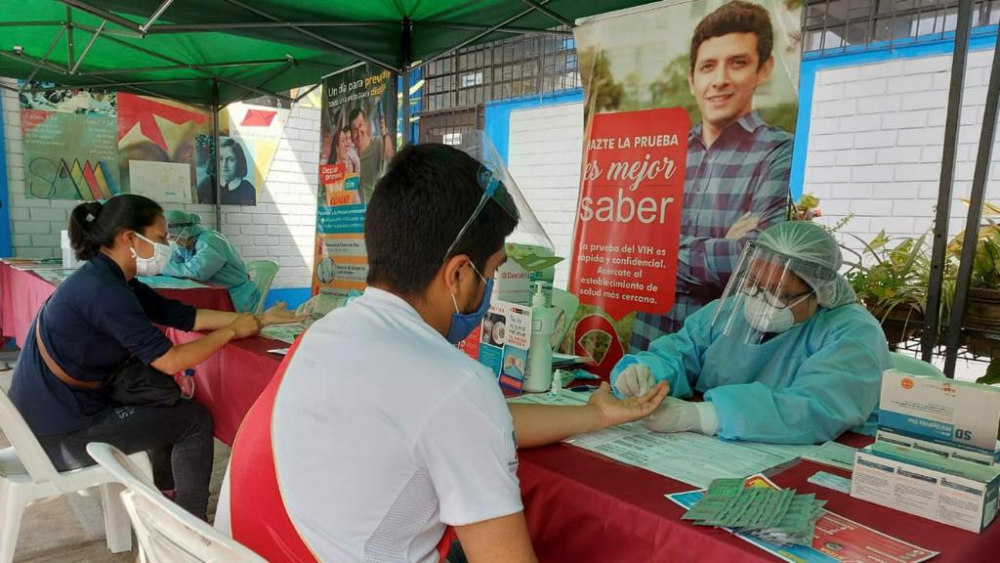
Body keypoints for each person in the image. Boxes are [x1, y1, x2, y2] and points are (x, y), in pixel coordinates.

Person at [217, 143, 668, 562]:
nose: (492, 288)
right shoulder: (452, 385)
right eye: (491, 271)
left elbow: (471, 422)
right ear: (457, 274)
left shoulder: (327, 333)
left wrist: (598, 415)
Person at [7, 195, 304, 520]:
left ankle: (167, 496)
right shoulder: (106, 293)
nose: (168, 246)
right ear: (129, 238)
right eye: (161, 238)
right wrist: (231, 332)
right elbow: (171, 360)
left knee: (163, 405)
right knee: (193, 420)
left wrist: (259, 320)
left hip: (52, 413)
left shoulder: (109, 278)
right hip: (58, 435)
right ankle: (190, 523)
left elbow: (183, 316)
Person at [614, 221, 891, 445]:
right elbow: (678, 352)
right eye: (755, 284)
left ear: (818, 293)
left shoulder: (853, 332)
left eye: (781, 293)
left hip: (822, 456)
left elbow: (818, 408)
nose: (760, 300)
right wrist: (645, 372)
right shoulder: (726, 311)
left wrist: (703, 416)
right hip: (725, 449)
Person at [631, 1, 793, 351]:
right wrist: (723, 244)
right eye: (708, 66)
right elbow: (632, 247)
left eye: (737, 63)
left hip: (722, 348)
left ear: (763, 69)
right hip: (651, 338)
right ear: (692, 79)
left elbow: (758, 259)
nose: (719, 80)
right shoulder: (662, 152)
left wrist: (664, 256)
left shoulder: (777, 151)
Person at [162, 210, 261, 313]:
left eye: (173, 237)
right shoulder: (186, 244)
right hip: (216, 293)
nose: (173, 241)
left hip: (236, 296)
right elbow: (175, 262)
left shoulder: (211, 240)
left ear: (184, 231)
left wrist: (160, 266)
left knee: (190, 315)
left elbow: (196, 272)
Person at [350, 105, 395, 204]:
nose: (358, 132)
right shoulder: (351, 155)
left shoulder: (379, 143)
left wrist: (385, 134)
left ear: (366, 125)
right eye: (354, 129)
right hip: (356, 215)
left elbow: (392, 159)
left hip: (377, 212)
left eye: (361, 125)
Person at [218, 138, 256, 206]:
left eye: (231, 160)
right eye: (220, 159)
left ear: (239, 162)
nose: (224, 165)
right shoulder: (207, 183)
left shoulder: (248, 189)